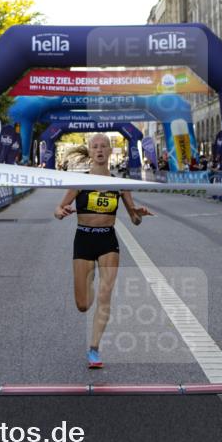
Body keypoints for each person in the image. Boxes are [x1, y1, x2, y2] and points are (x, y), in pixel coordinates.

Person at [53, 134, 151, 369]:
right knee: (83, 304)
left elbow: (134, 219)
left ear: (109, 151)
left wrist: (139, 214)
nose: (99, 149)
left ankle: (94, 349)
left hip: (108, 241)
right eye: (94, 146)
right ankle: (89, 283)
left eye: (103, 146)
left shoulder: (120, 184)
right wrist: (61, 212)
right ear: (90, 151)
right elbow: (58, 209)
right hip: (84, 239)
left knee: (105, 295)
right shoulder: (80, 182)